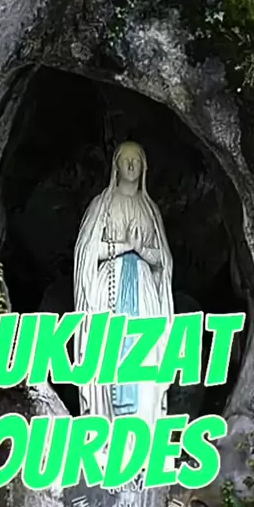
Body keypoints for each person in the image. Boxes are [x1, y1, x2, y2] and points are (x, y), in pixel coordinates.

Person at [73, 140, 174, 472]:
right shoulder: (101, 205)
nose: (131, 165)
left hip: (143, 293)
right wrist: (123, 247)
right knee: (107, 359)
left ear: (144, 167)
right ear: (115, 165)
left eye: (136, 160)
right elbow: (87, 252)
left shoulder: (150, 210)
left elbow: (163, 261)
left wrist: (141, 251)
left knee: (146, 362)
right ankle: (109, 445)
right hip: (108, 291)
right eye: (125, 160)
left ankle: (143, 449)